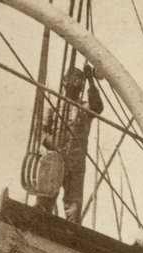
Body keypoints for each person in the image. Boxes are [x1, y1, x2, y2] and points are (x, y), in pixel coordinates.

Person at [39, 66, 104, 224]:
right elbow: (41, 133)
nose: (77, 81)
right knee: (44, 202)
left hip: (76, 165)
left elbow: (98, 107)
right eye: (74, 78)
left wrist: (91, 80)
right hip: (55, 161)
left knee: (73, 208)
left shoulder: (85, 108)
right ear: (64, 82)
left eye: (80, 79)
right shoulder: (54, 106)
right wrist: (53, 145)